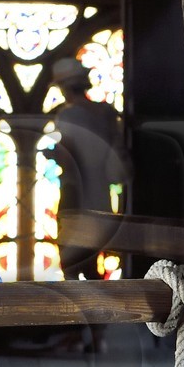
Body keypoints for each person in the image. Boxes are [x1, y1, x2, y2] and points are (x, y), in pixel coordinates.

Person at [49, 56, 131, 282]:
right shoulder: (105, 112)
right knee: (94, 260)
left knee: (71, 262)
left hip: (75, 195)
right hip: (100, 196)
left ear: (64, 87)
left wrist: (53, 153)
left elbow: (68, 156)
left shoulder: (68, 115)